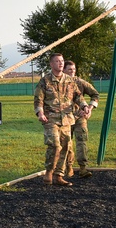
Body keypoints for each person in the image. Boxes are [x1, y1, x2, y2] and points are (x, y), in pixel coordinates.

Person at [33, 53, 89, 186]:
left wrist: (84, 105)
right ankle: (49, 172)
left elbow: (78, 96)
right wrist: (40, 113)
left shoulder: (69, 80)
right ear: (51, 64)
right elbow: (38, 100)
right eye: (57, 61)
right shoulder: (45, 81)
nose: (61, 63)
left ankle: (59, 175)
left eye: (62, 61)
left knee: (65, 147)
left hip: (66, 120)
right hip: (50, 119)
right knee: (55, 145)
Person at [63, 60, 99, 179]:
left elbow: (95, 94)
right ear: (64, 70)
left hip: (79, 117)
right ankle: (68, 167)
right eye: (69, 69)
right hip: (65, 118)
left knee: (81, 142)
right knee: (66, 143)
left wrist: (90, 107)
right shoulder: (59, 83)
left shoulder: (81, 82)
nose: (72, 72)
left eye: (73, 69)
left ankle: (83, 168)